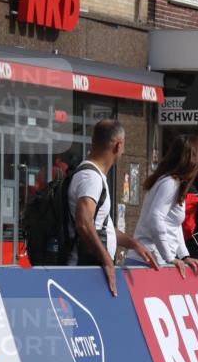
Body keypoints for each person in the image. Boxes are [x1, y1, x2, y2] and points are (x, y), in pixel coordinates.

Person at [68, 120, 159, 296]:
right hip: (87, 269)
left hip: (93, 267)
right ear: (118, 145)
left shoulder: (96, 176)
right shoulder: (91, 177)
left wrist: (134, 244)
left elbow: (103, 226)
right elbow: (84, 223)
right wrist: (107, 260)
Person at [126, 134, 198, 279]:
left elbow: (174, 224)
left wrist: (184, 255)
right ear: (192, 160)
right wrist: (169, 257)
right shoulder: (170, 183)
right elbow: (155, 218)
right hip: (150, 261)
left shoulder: (170, 182)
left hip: (153, 260)